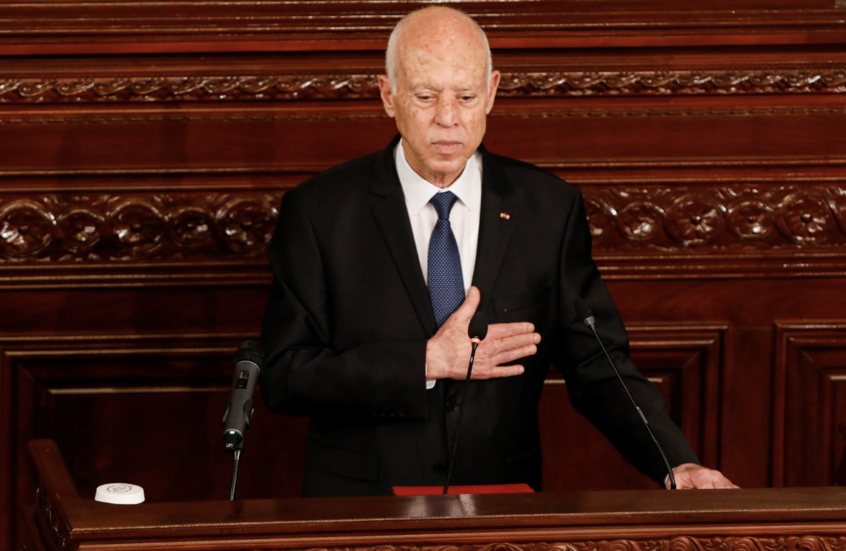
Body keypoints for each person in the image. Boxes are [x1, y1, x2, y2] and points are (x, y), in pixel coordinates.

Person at [259, 6, 737, 496]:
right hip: (362, 506)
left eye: (466, 97)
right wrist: (423, 361)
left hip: (499, 505)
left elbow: (599, 364)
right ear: (388, 95)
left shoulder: (547, 209)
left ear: (491, 92)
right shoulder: (320, 211)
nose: (448, 118)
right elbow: (283, 374)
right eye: (425, 96)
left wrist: (675, 461)